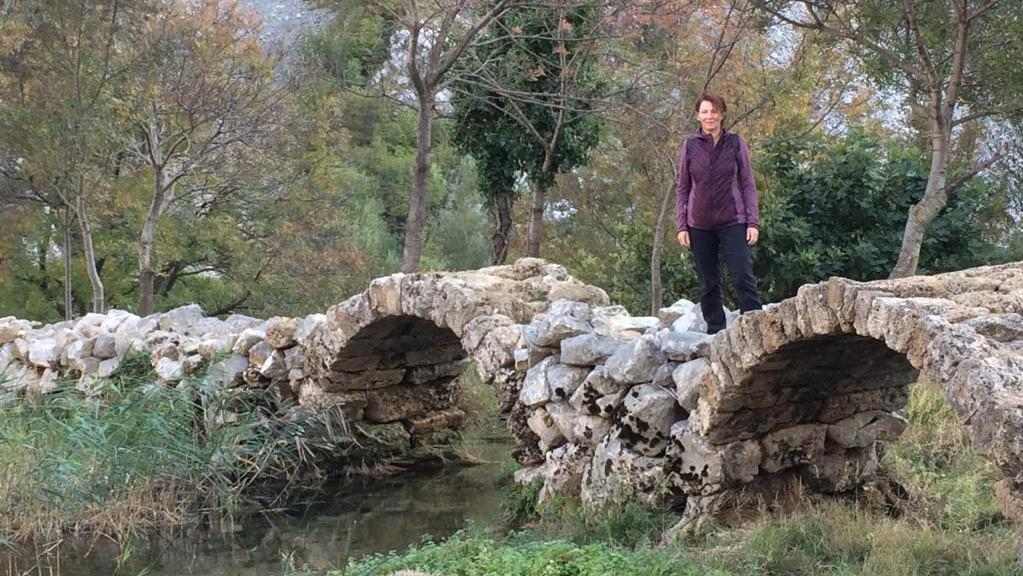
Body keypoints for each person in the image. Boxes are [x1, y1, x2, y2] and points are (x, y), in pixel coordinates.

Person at [675, 93, 762, 334]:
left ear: (721, 114)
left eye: (714, 111)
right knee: (708, 282)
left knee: (742, 275)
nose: (709, 116)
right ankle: (715, 331)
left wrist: (752, 222)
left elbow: (747, 183)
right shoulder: (690, 146)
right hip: (699, 224)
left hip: (733, 220)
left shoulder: (735, 143)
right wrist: (682, 225)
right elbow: (683, 187)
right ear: (698, 116)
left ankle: (755, 326)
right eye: (704, 112)